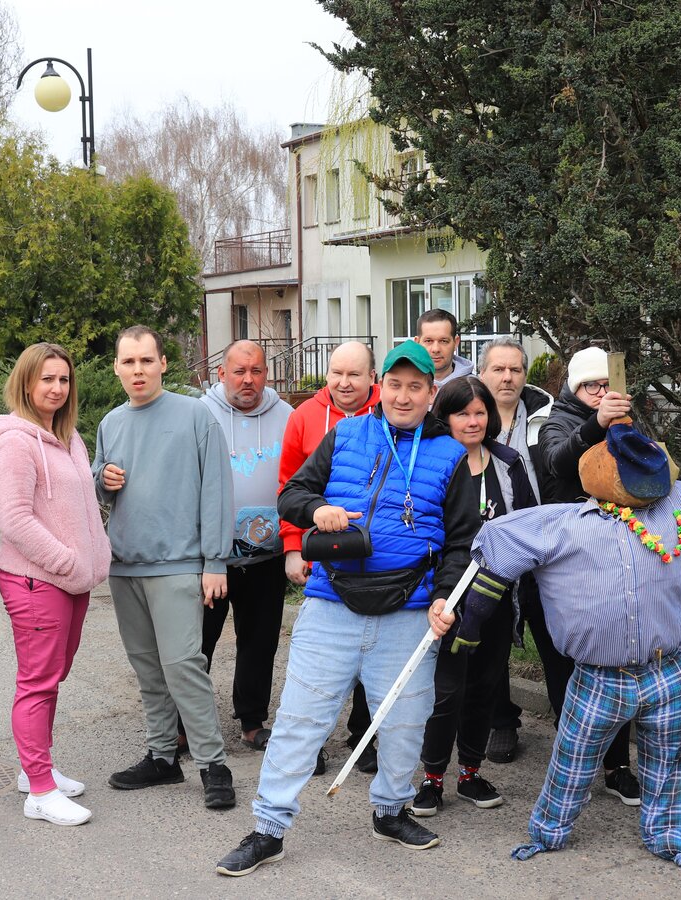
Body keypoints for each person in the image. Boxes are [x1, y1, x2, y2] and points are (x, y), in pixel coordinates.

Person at [448, 422, 681, 875]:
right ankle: (549, 830)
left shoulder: (675, 503)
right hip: (600, 676)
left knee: (672, 762)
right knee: (573, 758)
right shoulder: (559, 523)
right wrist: (473, 621)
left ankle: (670, 839)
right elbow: (498, 556)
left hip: (672, 668)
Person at [214, 340, 479, 877]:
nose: (404, 396)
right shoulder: (347, 433)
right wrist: (319, 509)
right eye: (396, 385)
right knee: (299, 722)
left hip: (409, 612)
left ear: (431, 394)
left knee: (405, 724)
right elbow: (290, 494)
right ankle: (268, 828)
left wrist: (447, 597)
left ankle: (390, 810)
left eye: (417, 387)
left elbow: (460, 543)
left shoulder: (450, 456)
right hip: (332, 605)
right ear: (383, 386)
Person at [93, 325, 237, 810]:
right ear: (116, 367)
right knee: (148, 668)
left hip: (179, 565)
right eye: (128, 362)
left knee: (183, 667)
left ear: (162, 364)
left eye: (146, 361)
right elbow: (97, 490)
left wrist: (215, 560)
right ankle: (161, 756)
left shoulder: (196, 415)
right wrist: (102, 480)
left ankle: (214, 765)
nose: (137, 370)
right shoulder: (111, 423)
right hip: (124, 566)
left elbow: (217, 489)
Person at [0, 343, 111, 826]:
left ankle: (34, 768)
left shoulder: (67, 436)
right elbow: (14, 519)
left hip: (73, 581)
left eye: (63, 380)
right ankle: (39, 791)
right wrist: (66, 561)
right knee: (37, 682)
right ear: (26, 382)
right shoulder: (15, 441)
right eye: (47, 380)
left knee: (52, 676)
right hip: (39, 580)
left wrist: (92, 557)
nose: (57, 388)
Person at [410, 376, 537, 817]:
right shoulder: (434, 463)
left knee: (485, 685)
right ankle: (430, 778)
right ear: (444, 417)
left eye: (480, 412)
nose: (473, 421)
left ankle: (469, 772)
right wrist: (440, 593)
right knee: (446, 691)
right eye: (462, 412)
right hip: (444, 598)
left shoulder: (508, 462)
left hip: (498, 596)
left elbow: (528, 525)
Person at [535, 345, 640, 803]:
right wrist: (597, 425)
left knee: (614, 660)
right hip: (563, 561)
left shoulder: (624, 415)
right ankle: (573, 759)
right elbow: (556, 461)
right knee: (564, 663)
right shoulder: (554, 418)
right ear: (574, 387)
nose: (599, 393)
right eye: (590, 386)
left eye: (605, 384)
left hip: (617, 556)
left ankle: (619, 765)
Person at [278, 340, 382, 773]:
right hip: (321, 556)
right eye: (336, 373)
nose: (343, 382)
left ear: (372, 378)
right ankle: (314, 742)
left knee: (371, 656)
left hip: (377, 560)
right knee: (322, 660)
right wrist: (291, 547)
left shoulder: (388, 415)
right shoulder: (304, 417)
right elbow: (288, 484)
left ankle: (364, 737)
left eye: (354, 374)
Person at [197, 340, 294, 751]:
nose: (248, 380)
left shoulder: (287, 415)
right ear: (222, 373)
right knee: (198, 642)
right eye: (239, 371)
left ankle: (253, 721)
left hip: (266, 558)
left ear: (266, 374)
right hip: (210, 558)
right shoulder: (200, 414)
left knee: (260, 641)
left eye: (256, 371)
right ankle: (187, 724)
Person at [476, 335, 554, 763]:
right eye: (498, 369)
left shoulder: (548, 417)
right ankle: (500, 722)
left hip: (544, 551)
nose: (507, 377)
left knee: (555, 639)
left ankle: (572, 724)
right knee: (490, 641)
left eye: (515, 370)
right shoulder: (466, 418)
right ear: (482, 374)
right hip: (487, 551)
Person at [416, 308, 473, 387]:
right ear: (417, 343)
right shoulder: (402, 385)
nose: (436, 349)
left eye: (443, 341)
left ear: (456, 343)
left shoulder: (474, 388)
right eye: (428, 341)